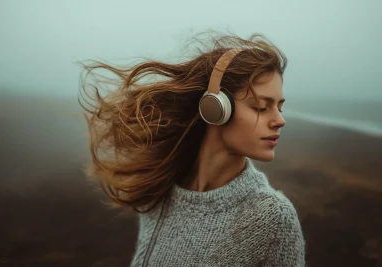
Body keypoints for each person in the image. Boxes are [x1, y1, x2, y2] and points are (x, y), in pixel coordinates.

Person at [78, 31, 306, 267]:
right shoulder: (160, 194)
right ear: (215, 108)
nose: (280, 120)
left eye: (279, 107)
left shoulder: (273, 218)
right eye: (261, 107)